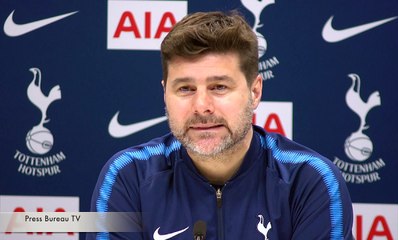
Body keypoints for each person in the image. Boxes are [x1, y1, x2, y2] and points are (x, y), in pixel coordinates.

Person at [88, 11, 353, 240]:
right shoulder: (127, 177)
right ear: (165, 94)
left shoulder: (311, 181)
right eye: (185, 88)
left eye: (219, 87)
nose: (202, 105)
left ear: (255, 91)